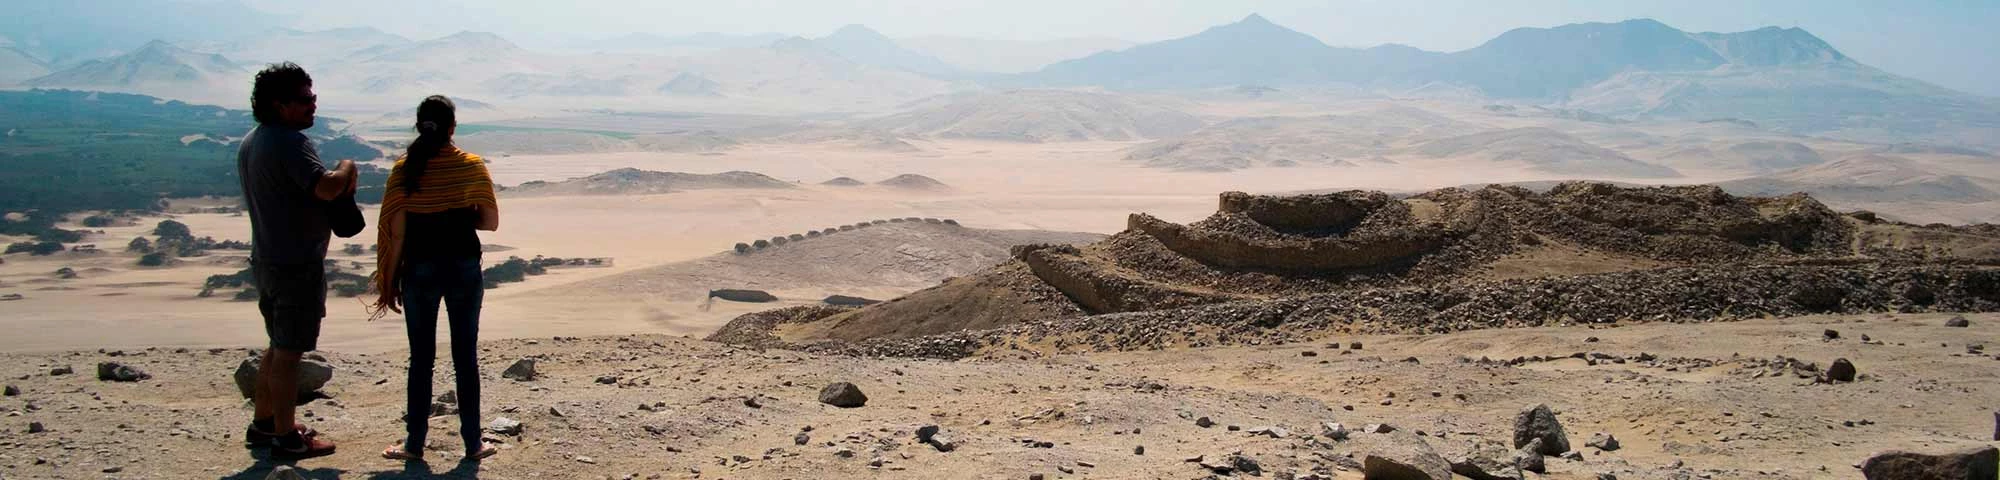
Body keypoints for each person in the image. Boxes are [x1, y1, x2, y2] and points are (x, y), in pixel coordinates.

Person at [369, 95, 501, 461]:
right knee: (465, 357)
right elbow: (489, 222)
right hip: (463, 267)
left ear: (418, 126)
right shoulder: (472, 167)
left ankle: (414, 444)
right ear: (453, 128)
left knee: (421, 359)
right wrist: (458, 217)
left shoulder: (403, 170)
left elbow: (395, 234)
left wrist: (389, 280)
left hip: (420, 269)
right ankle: (474, 444)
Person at [238, 62, 352, 459]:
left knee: (277, 345)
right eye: (304, 100)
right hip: (294, 263)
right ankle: (287, 439)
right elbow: (326, 187)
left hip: (268, 258)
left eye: (313, 97)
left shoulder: (254, 139)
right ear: (278, 104)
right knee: (288, 354)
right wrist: (347, 168)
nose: (312, 105)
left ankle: (265, 423)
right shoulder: (288, 141)